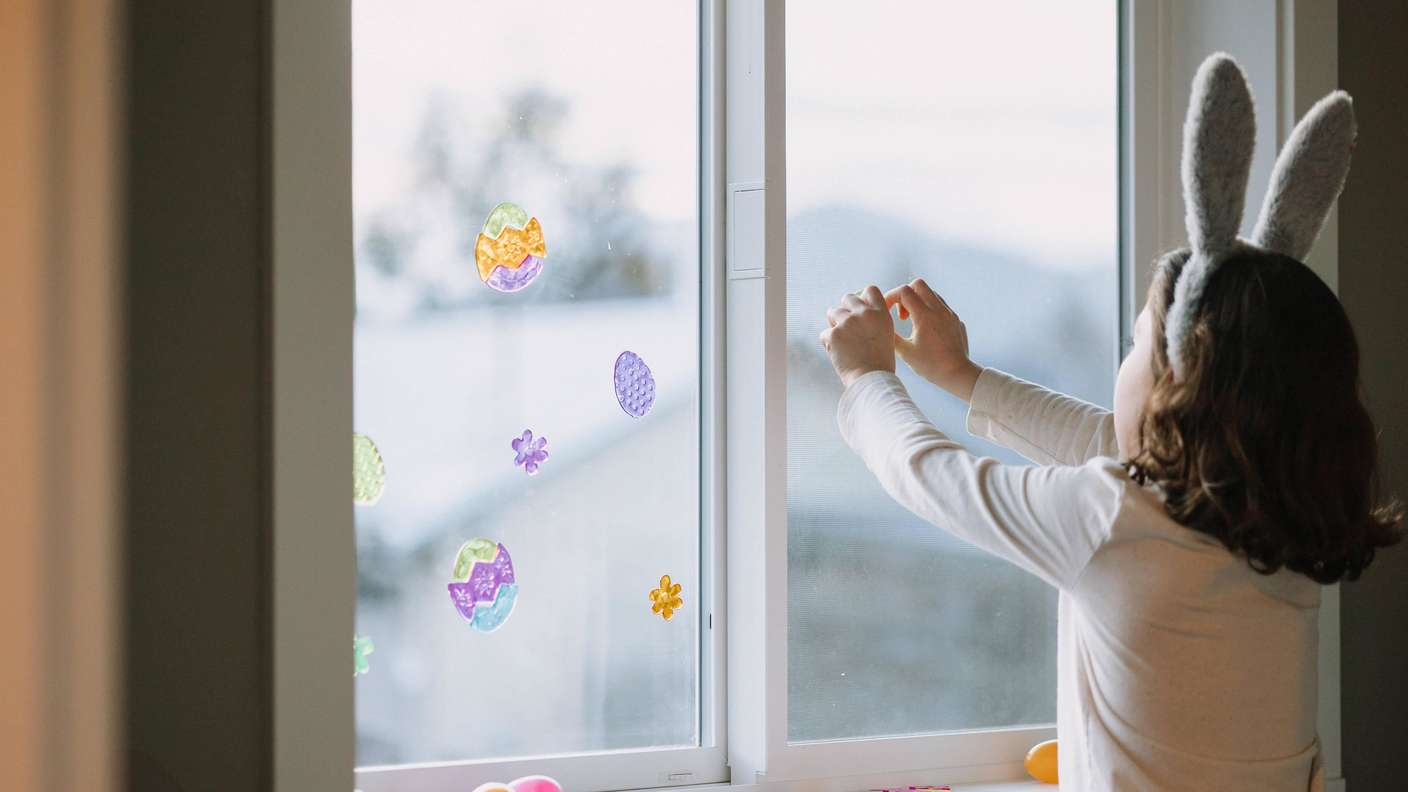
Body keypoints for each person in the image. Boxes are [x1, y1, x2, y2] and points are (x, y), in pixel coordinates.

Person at [819, 55, 1402, 791]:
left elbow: (934, 477)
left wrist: (867, 377)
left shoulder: (1113, 522)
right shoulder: (1278, 528)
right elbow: (1113, 445)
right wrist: (964, 378)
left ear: (1177, 387)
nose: (1124, 364)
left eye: (1134, 345)